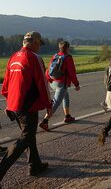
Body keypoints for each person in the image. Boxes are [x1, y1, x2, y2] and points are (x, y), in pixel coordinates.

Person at [0, 31, 52, 182]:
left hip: (14, 106)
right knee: (25, 138)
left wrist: (9, 103)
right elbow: (42, 84)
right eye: (39, 44)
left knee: (29, 137)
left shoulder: (13, 57)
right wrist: (48, 105)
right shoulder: (34, 58)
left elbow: (6, 85)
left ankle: (34, 165)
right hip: (27, 106)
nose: (40, 48)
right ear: (35, 42)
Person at [39, 41, 80, 131]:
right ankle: (45, 121)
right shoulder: (68, 58)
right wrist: (76, 84)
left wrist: (48, 79)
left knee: (66, 97)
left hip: (52, 82)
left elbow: (49, 68)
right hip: (62, 84)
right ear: (68, 48)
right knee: (56, 102)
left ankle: (67, 116)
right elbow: (72, 73)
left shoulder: (55, 56)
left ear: (59, 48)